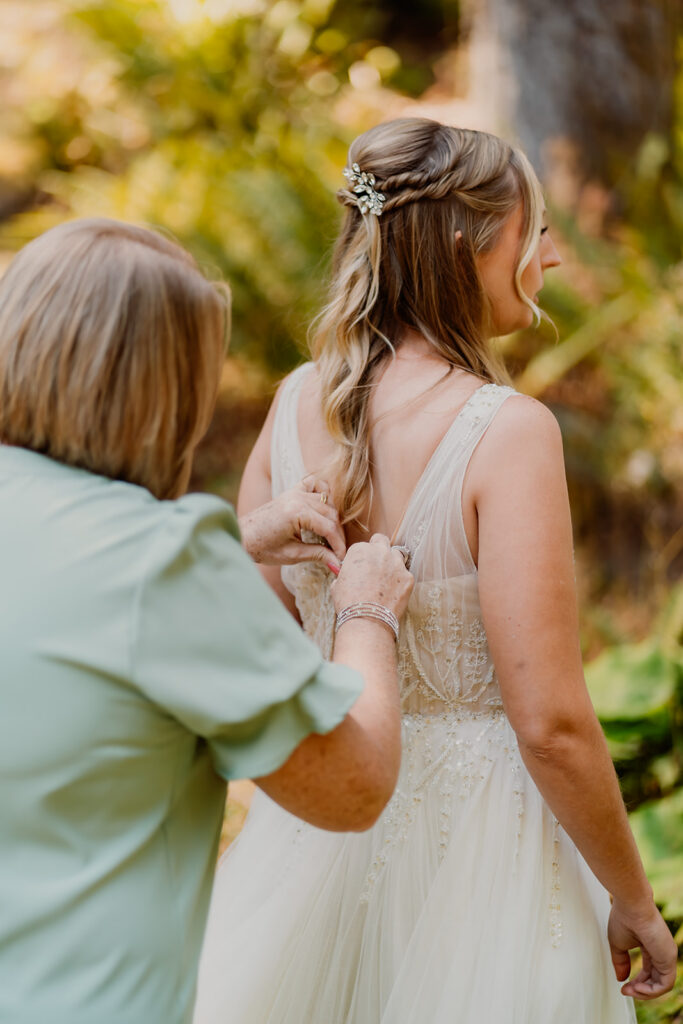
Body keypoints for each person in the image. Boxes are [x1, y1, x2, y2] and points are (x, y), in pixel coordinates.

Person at [193, 118, 677, 1024]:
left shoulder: (297, 403)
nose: (551, 259)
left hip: (319, 830)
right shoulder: (507, 430)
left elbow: (251, 642)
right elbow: (552, 724)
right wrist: (632, 898)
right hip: (486, 856)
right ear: (475, 247)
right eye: (533, 232)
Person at [0, 218, 413, 1024]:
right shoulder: (165, 564)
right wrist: (365, 613)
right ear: (168, 390)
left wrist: (245, 539)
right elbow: (353, 789)